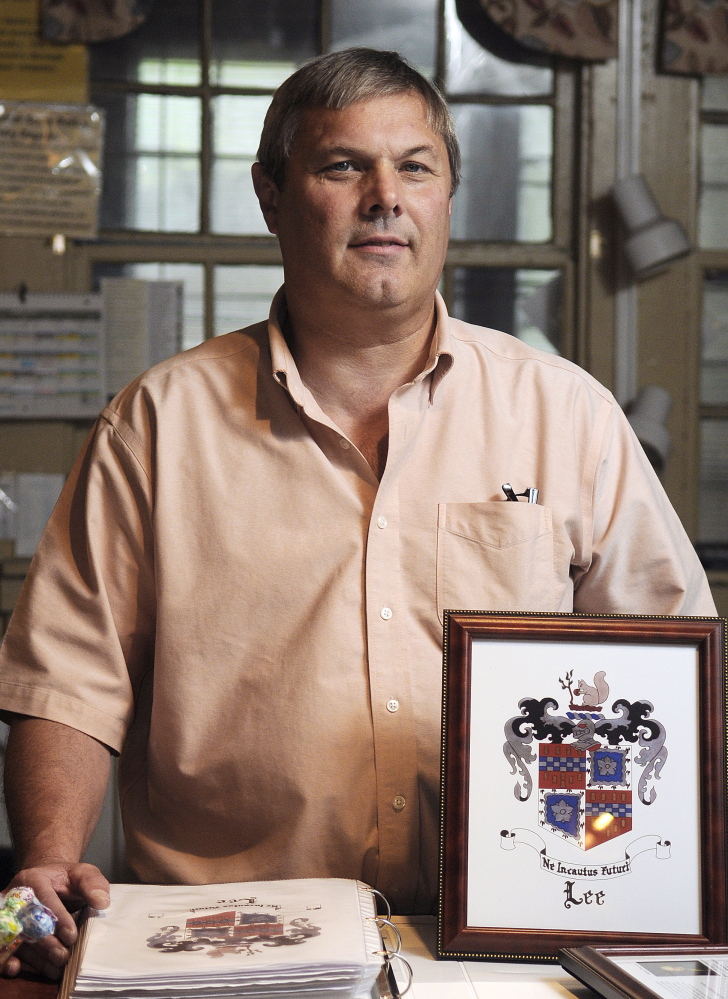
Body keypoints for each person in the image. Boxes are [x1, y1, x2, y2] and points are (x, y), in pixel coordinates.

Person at [0, 48, 715, 979]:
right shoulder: (158, 422)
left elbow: (669, 664)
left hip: (514, 949)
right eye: (344, 166)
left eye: (415, 166)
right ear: (271, 194)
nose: (386, 195)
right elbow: (68, 681)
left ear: (447, 193)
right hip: (219, 949)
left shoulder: (565, 414)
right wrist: (48, 857)